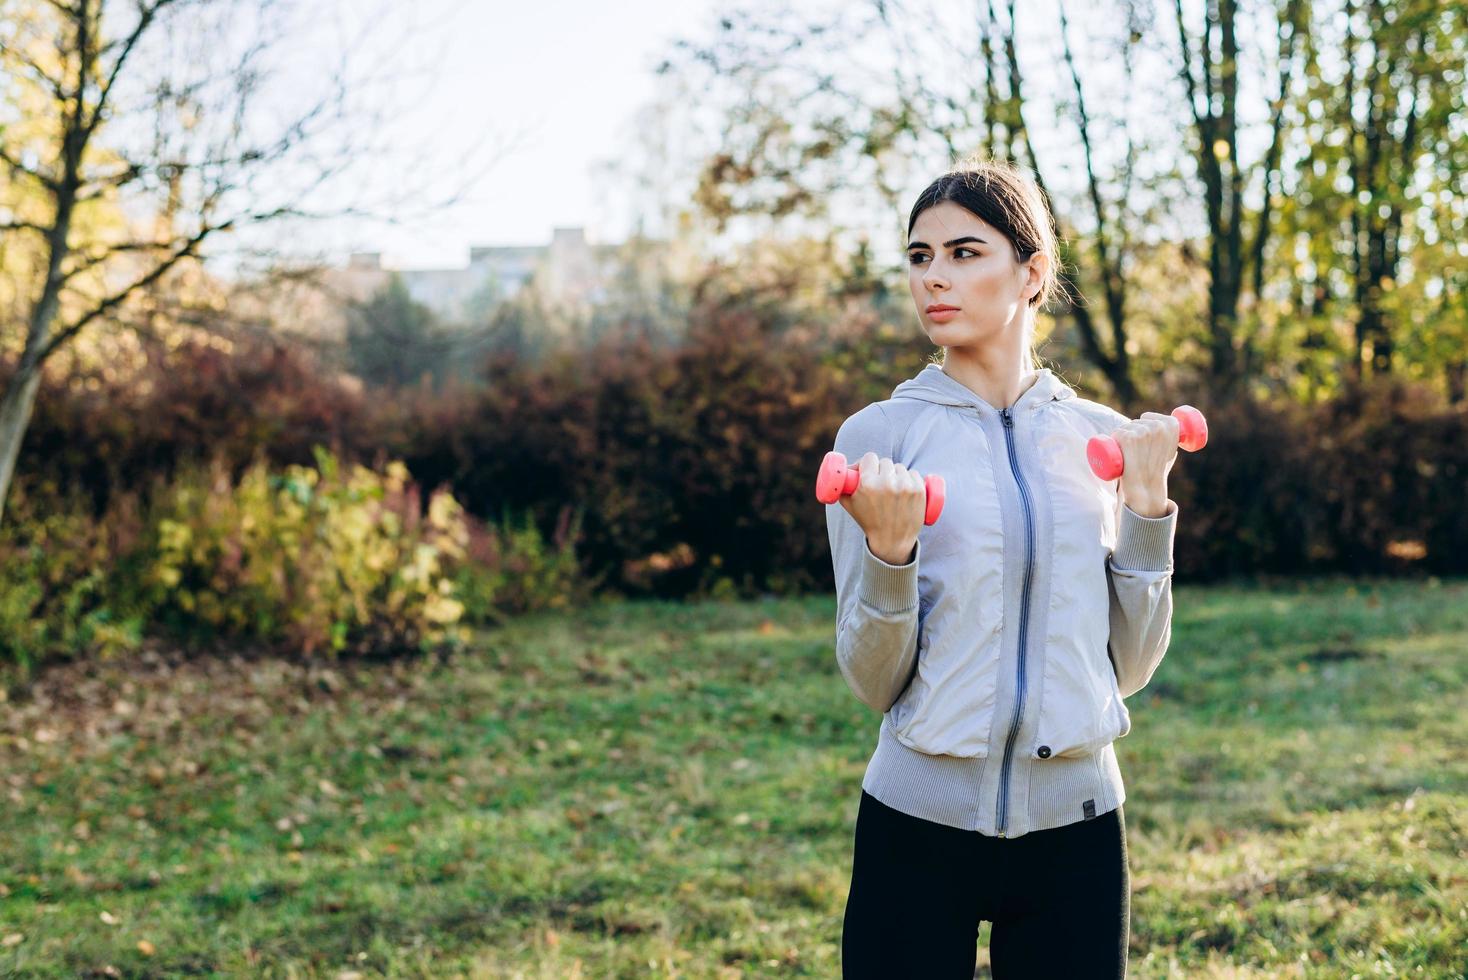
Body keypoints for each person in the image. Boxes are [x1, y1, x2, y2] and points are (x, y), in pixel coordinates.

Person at [827, 157, 1181, 978]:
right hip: (915, 826)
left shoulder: (1101, 440)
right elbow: (873, 680)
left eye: (963, 252)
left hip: (1079, 833)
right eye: (919, 257)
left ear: (1032, 273)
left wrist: (1148, 509)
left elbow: (1130, 668)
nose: (933, 279)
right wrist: (889, 554)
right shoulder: (876, 442)